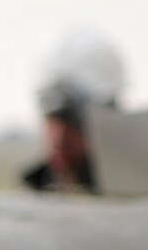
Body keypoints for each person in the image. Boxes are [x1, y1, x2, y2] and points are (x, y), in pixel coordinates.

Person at [23, 25, 127, 193]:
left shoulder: (138, 187)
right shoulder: (36, 195)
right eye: (50, 113)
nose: (60, 137)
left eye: (73, 117)